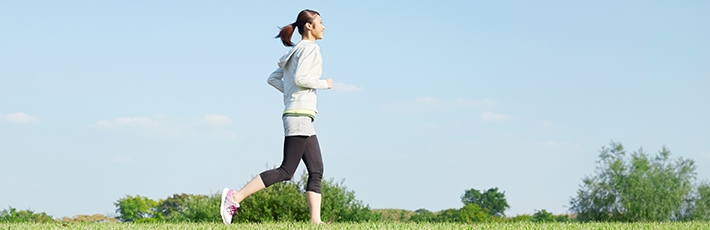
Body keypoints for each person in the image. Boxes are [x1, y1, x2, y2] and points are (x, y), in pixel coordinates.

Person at [220, 9, 332, 225]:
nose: (323, 26)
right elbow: (301, 78)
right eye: (320, 22)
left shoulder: (295, 51)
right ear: (308, 26)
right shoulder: (311, 49)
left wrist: (291, 92)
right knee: (286, 170)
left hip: (300, 114)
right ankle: (234, 198)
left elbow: (273, 78)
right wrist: (323, 84)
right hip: (299, 114)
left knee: (316, 169)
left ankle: (315, 222)